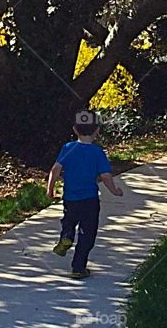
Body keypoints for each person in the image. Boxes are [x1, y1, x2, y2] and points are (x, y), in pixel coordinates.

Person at [45, 110, 123, 279]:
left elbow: (56, 169)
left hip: (70, 198)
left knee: (69, 220)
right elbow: (105, 176)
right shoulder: (97, 152)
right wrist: (114, 190)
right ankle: (78, 268)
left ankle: (66, 236)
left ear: (75, 129)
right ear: (97, 131)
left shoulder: (68, 148)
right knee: (87, 234)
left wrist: (50, 189)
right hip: (89, 200)